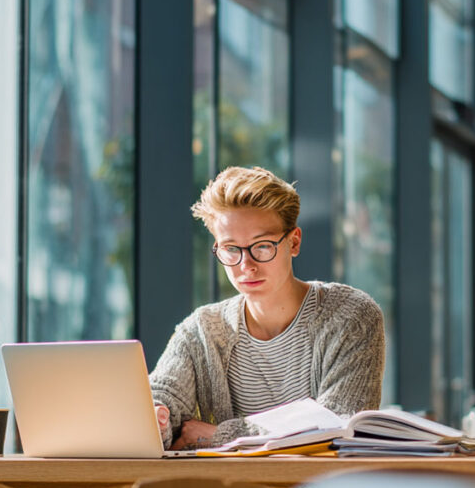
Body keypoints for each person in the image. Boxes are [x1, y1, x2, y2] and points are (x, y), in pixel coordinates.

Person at [149, 166, 386, 450]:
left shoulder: (351, 316)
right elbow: (164, 395)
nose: (246, 265)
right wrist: (157, 418)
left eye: (261, 246)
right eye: (231, 249)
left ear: (294, 242)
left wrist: (220, 435)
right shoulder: (201, 330)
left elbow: (339, 423)